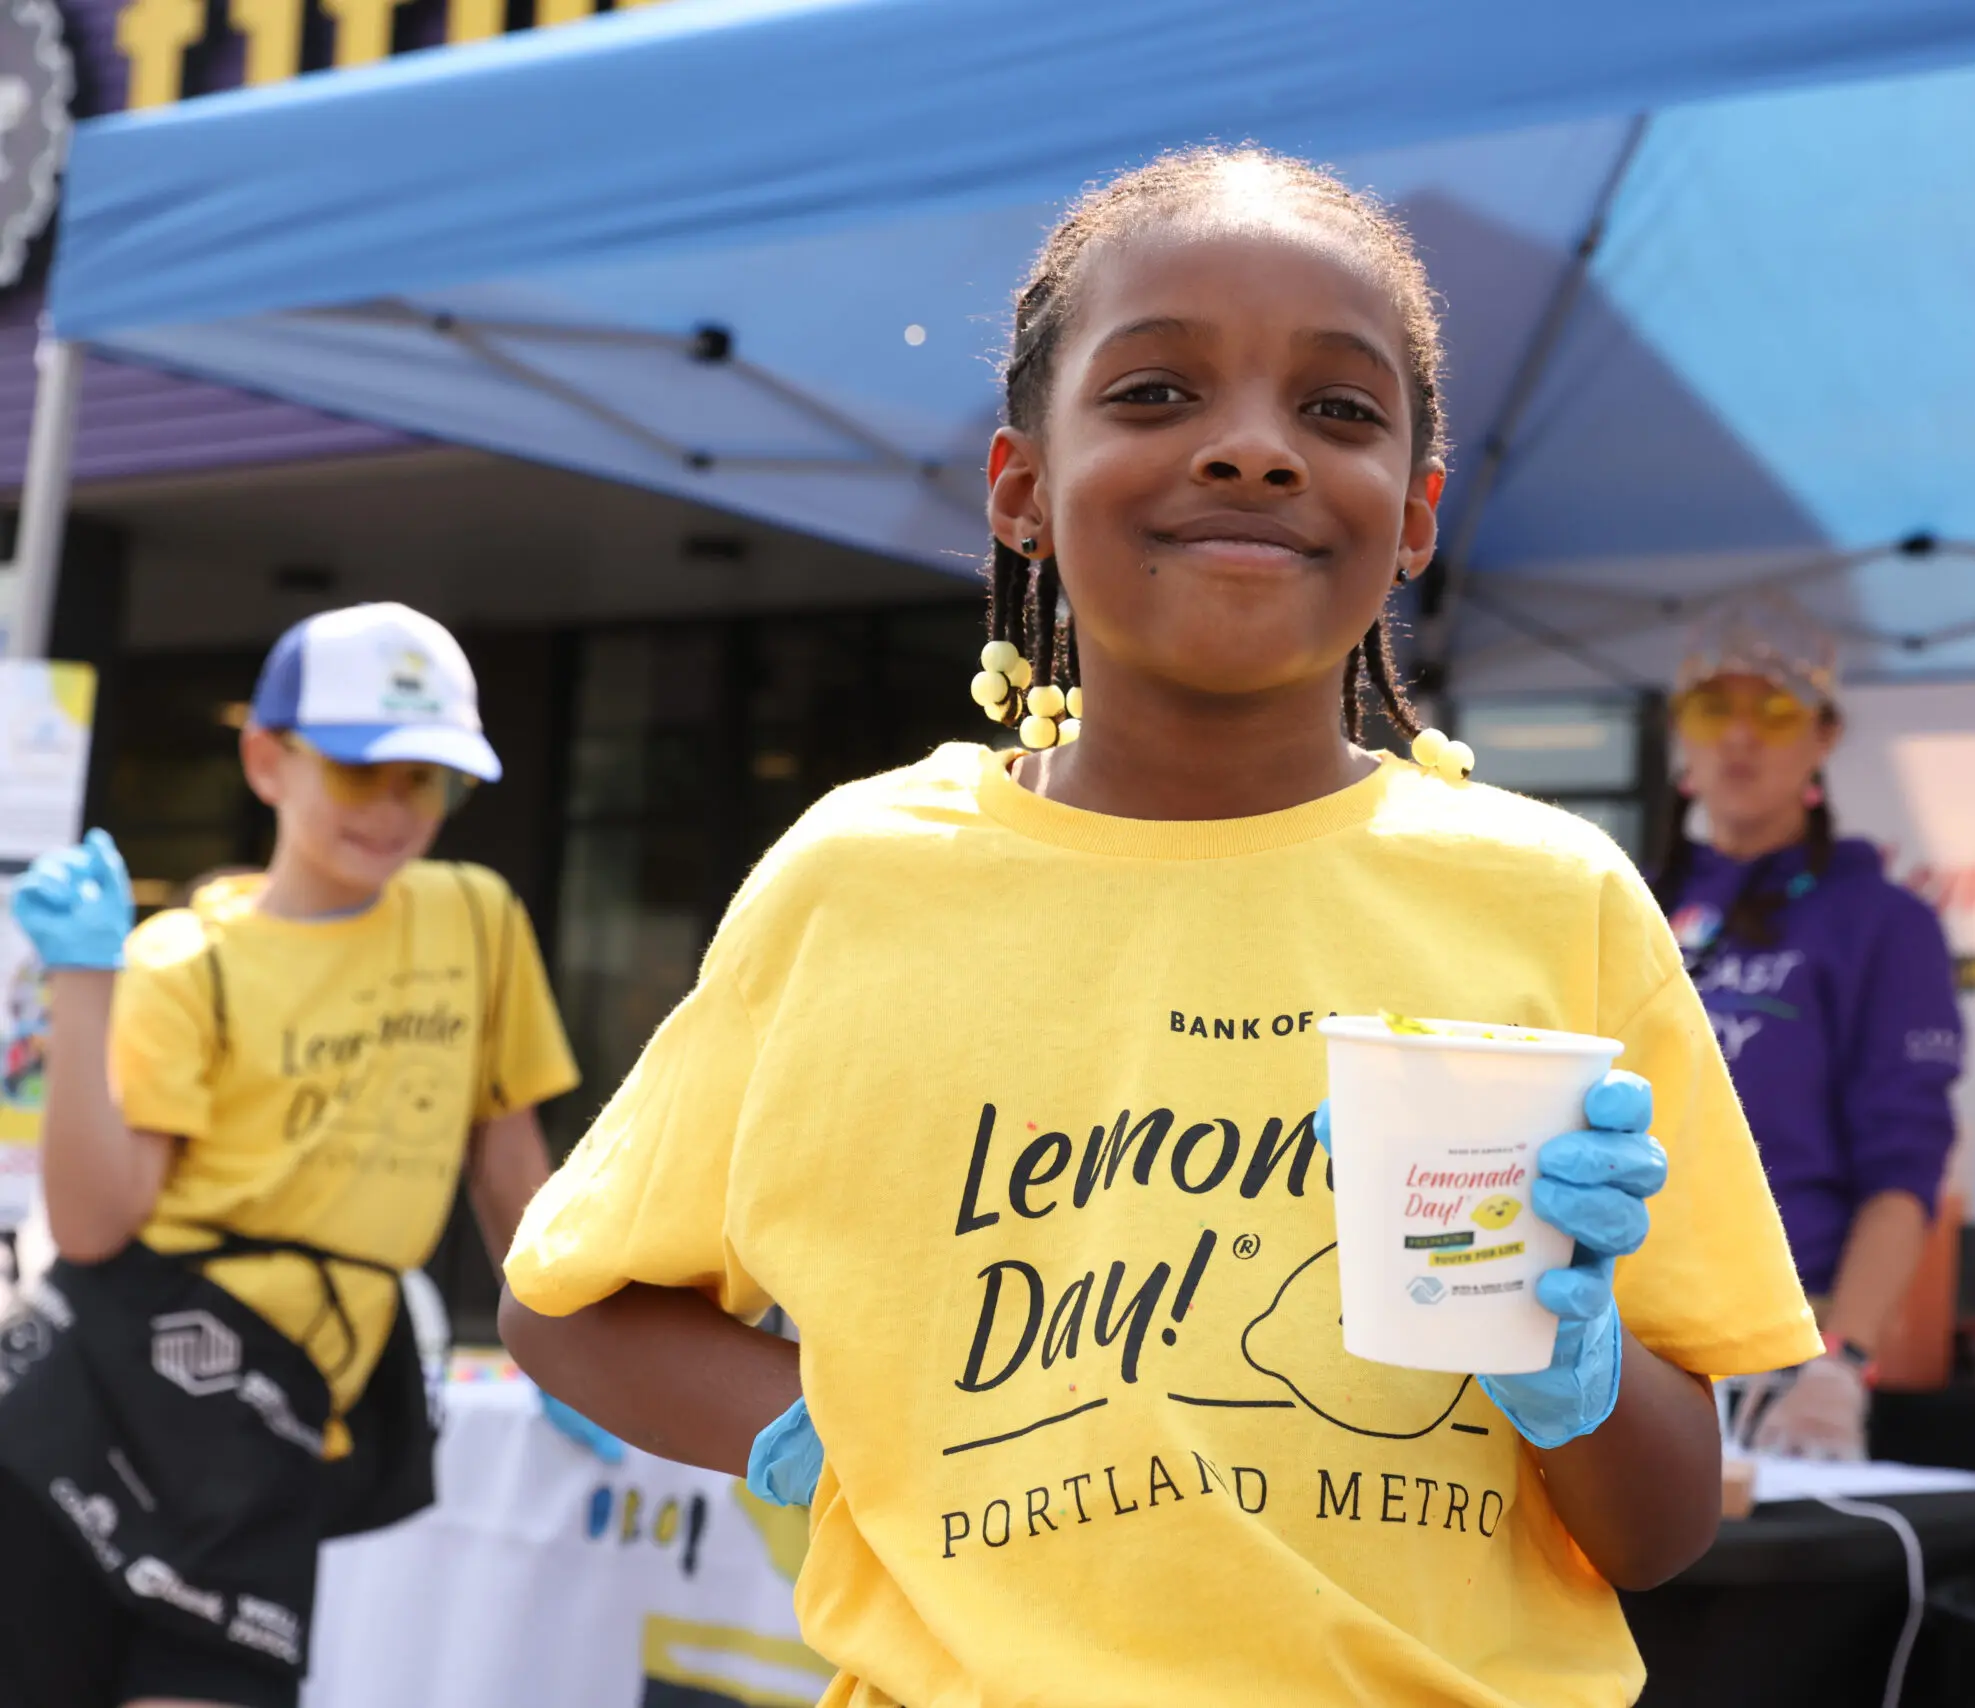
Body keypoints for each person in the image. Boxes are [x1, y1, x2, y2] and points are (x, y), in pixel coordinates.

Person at [499, 146, 1818, 1708]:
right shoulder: (858, 883)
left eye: (1338, 411)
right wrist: (840, 1419)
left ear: (1416, 516)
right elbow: (569, 1306)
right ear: (1020, 489)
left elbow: (1664, 1533)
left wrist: (1563, 1359)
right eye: (1154, 395)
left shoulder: (1553, 903)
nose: (1254, 451)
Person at [0, 602, 592, 1708]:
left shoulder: (476, 916)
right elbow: (93, 1226)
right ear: (268, 760)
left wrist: (584, 1342)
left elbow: (511, 1175)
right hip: (100, 1385)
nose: (398, 809)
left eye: (430, 779)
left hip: (269, 1420)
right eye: (365, 771)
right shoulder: (184, 957)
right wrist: (84, 983)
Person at [1651, 592, 1964, 1462]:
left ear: (1824, 737)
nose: (1740, 737)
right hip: (1622, 1348)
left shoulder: (1883, 921)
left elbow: (1906, 1166)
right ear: (1682, 732)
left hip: (1784, 1360)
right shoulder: (1631, 903)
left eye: (1776, 709)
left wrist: (1841, 1367)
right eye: (1715, 709)